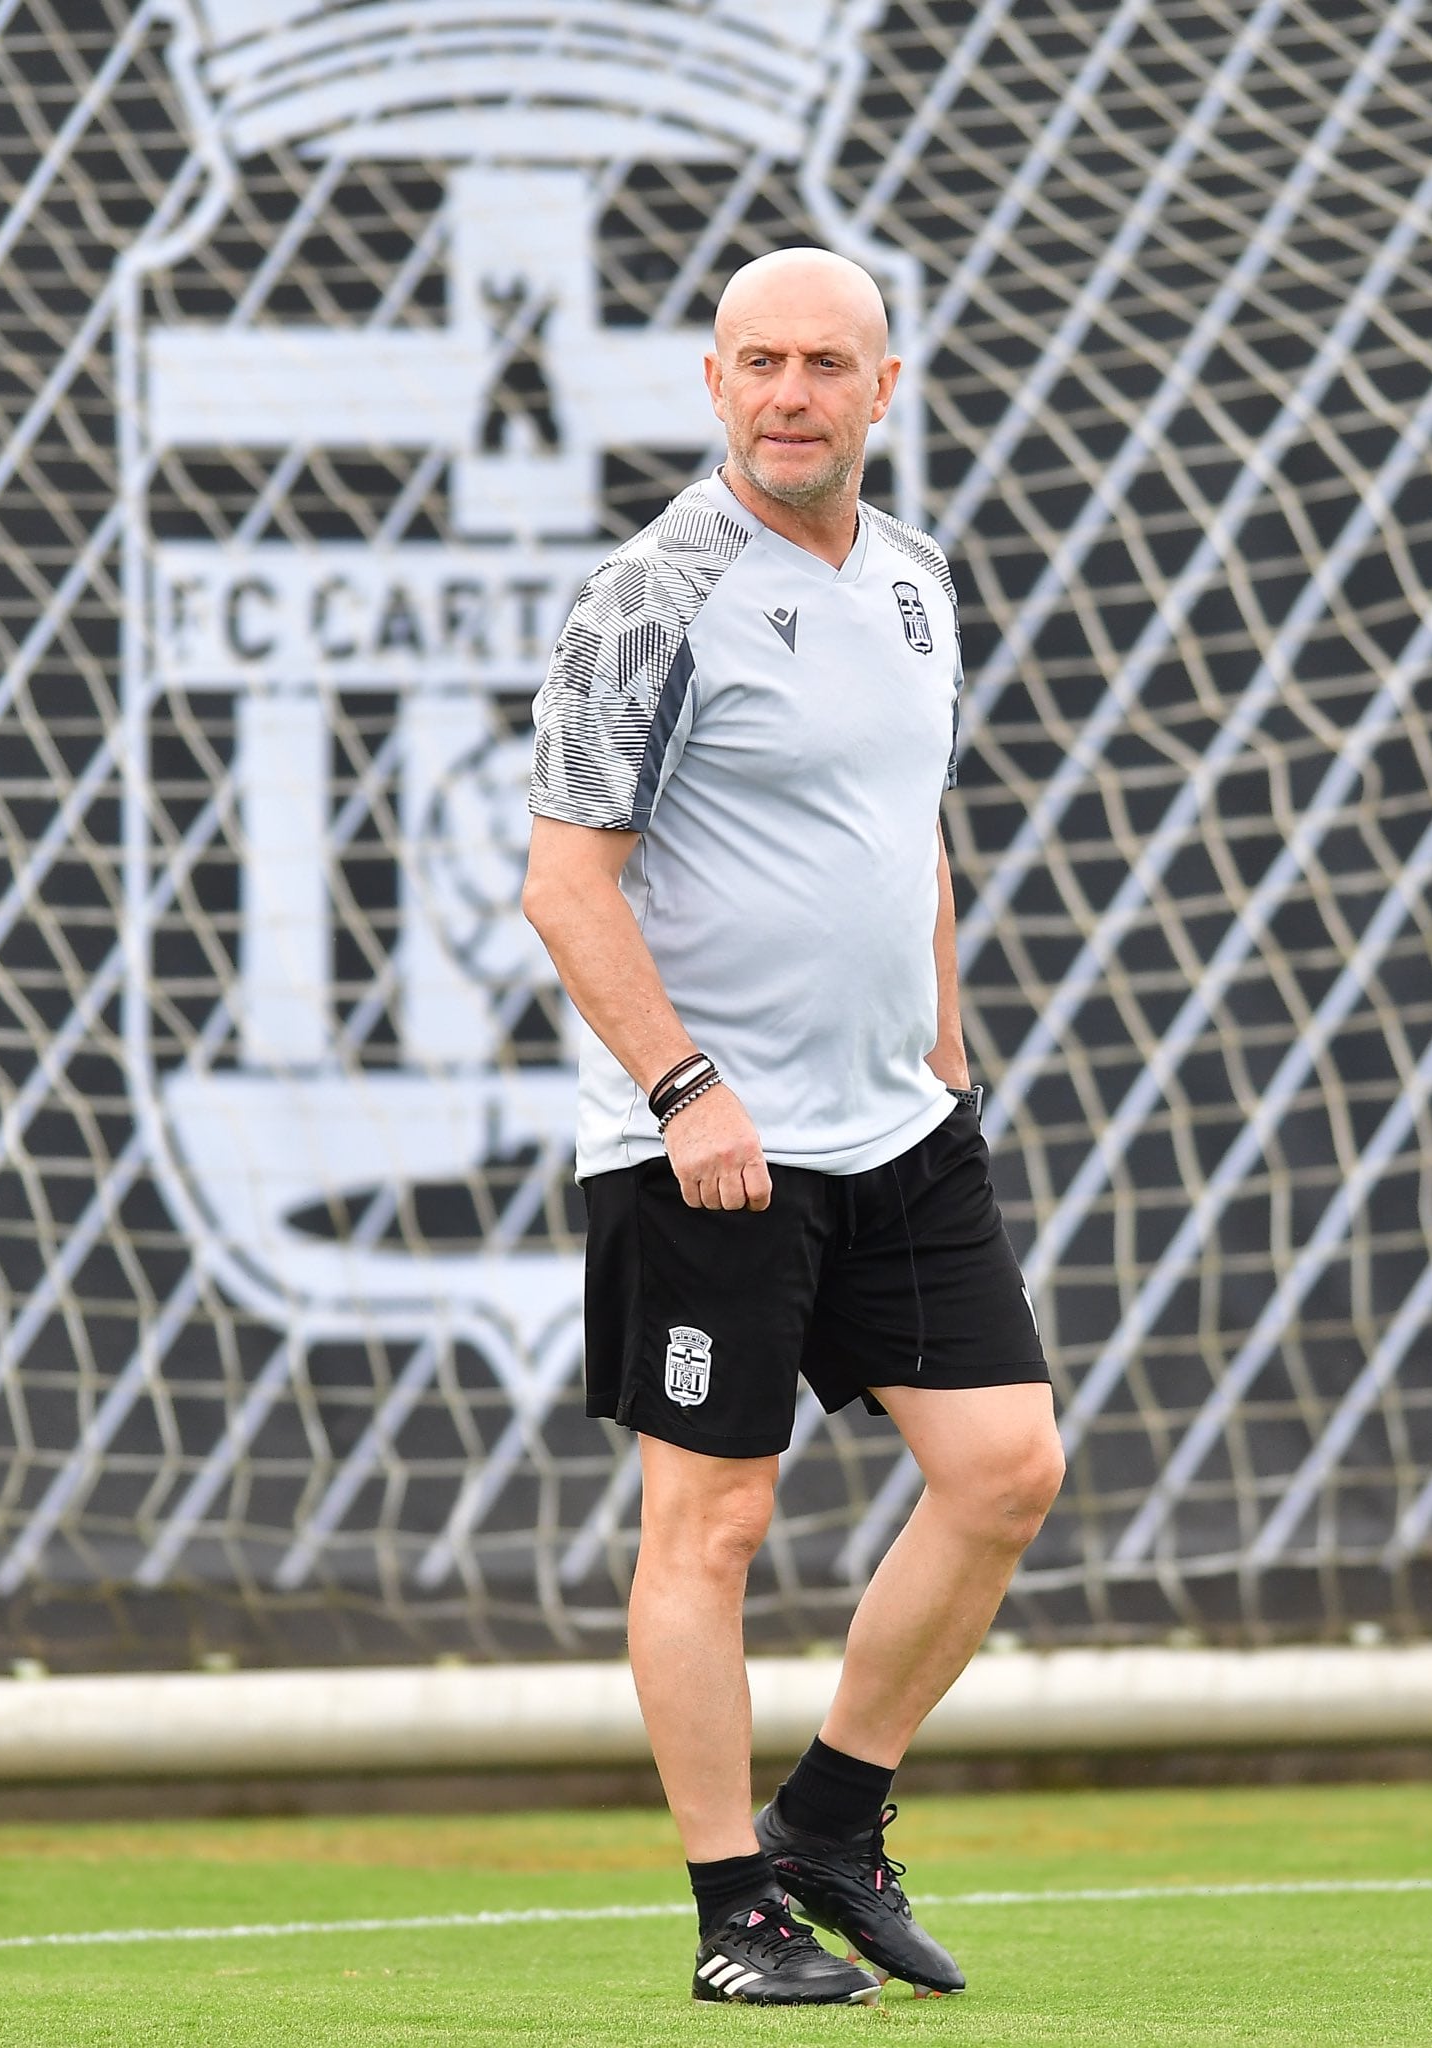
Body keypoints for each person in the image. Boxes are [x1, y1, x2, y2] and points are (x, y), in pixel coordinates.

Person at [522, 245, 1066, 2007]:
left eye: (826, 364)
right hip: (709, 1141)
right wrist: (686, 1090)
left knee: (1004, 1473)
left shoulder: (916, 578)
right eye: (758, 361)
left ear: (881, 388)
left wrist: (950, 1052)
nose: (789, 395)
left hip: (896, 1132)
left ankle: (831, 1825)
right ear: (712, 382)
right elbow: (565, 884)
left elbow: (914, 843)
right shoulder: (647, 594)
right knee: (718, 1521)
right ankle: (727, 1908)